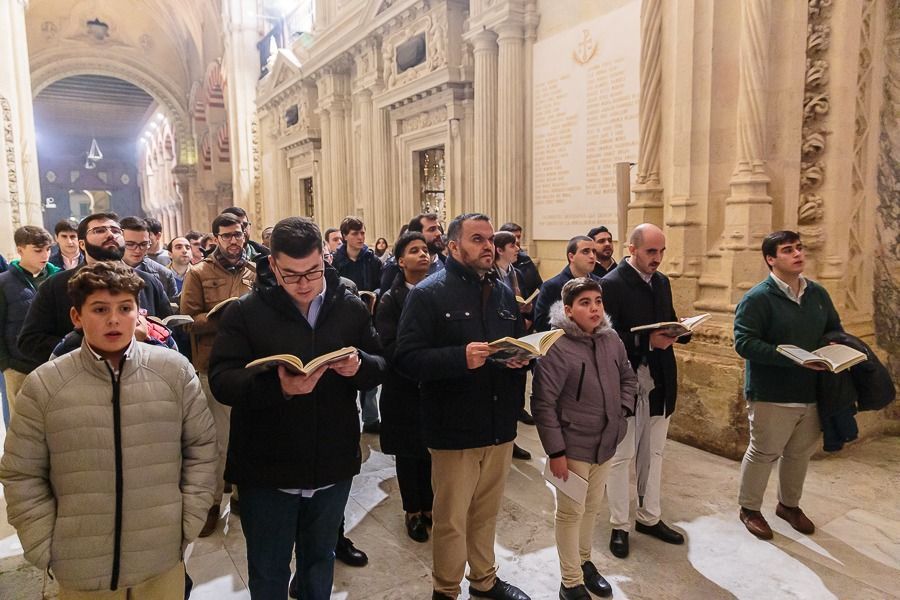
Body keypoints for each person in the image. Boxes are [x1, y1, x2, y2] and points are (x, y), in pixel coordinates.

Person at [0, 262, 217, 600]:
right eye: (100, 309)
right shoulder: (46, 384)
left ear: (139, 313)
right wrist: (45, 544)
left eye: (125, 308)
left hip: (160, 557)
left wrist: (186, 523)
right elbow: (21, 472)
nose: (114, 320)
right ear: (76, 316)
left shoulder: (174, 372)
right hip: (82, 566)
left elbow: (201, 450)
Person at [208, 217, 385, 600]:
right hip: (268, 468)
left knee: (319, 561)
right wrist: (279, 387)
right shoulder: (245, 312)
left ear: (324, 258)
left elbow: (380, 362)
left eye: (313, 272)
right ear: (273, 265)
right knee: (269, 569)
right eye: (291, 275)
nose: (304, 284)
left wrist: (359, 366)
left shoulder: (349, 306)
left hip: (331, 461)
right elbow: (222, 380)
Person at [396, 213, 531, 600]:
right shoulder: (429, 293)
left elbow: (514, 343)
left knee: (486, 513)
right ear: (453, 246)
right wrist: (459, 358)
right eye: (477, 239)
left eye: (490, 239)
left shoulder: (503, 293)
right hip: (454, 427)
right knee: (452, 520)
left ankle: (484, 580)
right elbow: (406, 359)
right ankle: (446, 590)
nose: (488, 246)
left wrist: (521, 359)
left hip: (498, 424)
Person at [533, 277, 637, 600]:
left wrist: (621, 413)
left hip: (605, 441)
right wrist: (556, 452)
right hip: (572, 445)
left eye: (598, 302)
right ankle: (570, 582)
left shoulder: (611, 339)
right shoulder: (556, 346)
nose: (594, 309)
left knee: (591, 508)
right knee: (570, 513)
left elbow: (628, 378)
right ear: (568, 310)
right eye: (585, 303)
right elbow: (543, 403)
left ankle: (584, 561)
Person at [733, 230, 841, 540]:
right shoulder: (757, 298)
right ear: (771, 259)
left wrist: (833, 346)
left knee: (799, 453)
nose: (797, 254)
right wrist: (793, 358)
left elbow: (833, 328)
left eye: (799, 248)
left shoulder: (817, 293)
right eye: (788, 250)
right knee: (763, 452)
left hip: (811, 390)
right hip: (771, 392)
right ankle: (749, 508)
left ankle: (789, 505)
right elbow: (744, 343)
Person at [602, 223, 687, 560]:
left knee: (654, 454)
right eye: (651, 251)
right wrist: (646, 341)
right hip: (627, 384)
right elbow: (603, 338)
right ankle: (619, 525)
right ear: (632, 249)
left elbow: (667, 318)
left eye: (662, 251)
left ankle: (649, 517)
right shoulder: (611, 284)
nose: (658, 258)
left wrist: (680, 330)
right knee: (622, 458)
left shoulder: (662, 282)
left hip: (660, 381)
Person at [180, 212, 257, 537]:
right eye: (227, 235)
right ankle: (211, 504)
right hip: (214, 365)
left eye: (238, 234)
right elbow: (187, 320)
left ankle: (242, 495)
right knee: (218, 441)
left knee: (248, 436)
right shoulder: (198, 272)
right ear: (215, 239)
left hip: (250, 364)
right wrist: (223, 318)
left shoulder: (254, 270)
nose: (234, 240)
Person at [17, 213, 173, 367]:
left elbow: (167, 331)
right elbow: (30, 341)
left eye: (116, 230)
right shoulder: (56, 285)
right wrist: (94, 345)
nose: (110, 234)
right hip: (80, 376)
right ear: (82, 244)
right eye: (99, 230)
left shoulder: (148, 283)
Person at [375, 232, 434, 543]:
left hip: (433, 385)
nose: (423, 254)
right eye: (414, 251)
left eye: (425, 250)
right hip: (403, 387)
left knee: (431, 450)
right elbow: (388, 345)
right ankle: (412, 510)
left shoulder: (438, 293)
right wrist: (422, 359)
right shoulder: (390, 299)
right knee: (409, 453)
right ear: (400, 261)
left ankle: (430, 505)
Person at [0, 226, 59, 425]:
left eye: (48, 249)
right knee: (22, 425)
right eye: (38, 250)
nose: (45, 255)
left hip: (55, 362)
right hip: (18, 366)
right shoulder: (4, 282)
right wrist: (6, 364)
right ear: (20, 250)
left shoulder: (58, 278)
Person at [332, 216, 383, 434]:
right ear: (345, 236)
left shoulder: (373, 260)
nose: (361, 237)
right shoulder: (336, 261)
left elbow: (382, 285)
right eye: (355, 233)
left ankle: (371, 417)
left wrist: (374, 295)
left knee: (368, 364)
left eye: (362, 233)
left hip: (369, 317)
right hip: (344, 321)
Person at [493, 230, 535, 457]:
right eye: (513, 245)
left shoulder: (516, 273)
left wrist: (527, 314)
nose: (518, 249)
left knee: (517, 384)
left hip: (519, 331)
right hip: (500, 335)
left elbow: (524, 298)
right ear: (499, 249)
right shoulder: (491, 274)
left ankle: (511, 436)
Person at [533, 236, 599, 333]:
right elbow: (541, 324)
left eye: (594, 251)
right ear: (571, 257)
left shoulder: (600, 283)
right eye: (586, 251)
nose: (592, 256)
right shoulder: (551, 286)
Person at [380, 213, 446, 292]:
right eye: (432, 229)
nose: (439, 233)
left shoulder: (447, 264)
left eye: (439, 228)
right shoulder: (394, 268)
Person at [120, 217, 179, 299]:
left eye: (143, 244)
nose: (138, 250)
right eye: (130, 244)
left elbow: (171, 306)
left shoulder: (164, 274)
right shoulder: (106, 271)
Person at [498, 222, 542, 303]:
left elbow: (538, 286)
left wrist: (530, 306)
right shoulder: (491, 272)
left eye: (518, 237)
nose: (517, 241)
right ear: (500, 250)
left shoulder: (525, 261)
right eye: (512, 244)